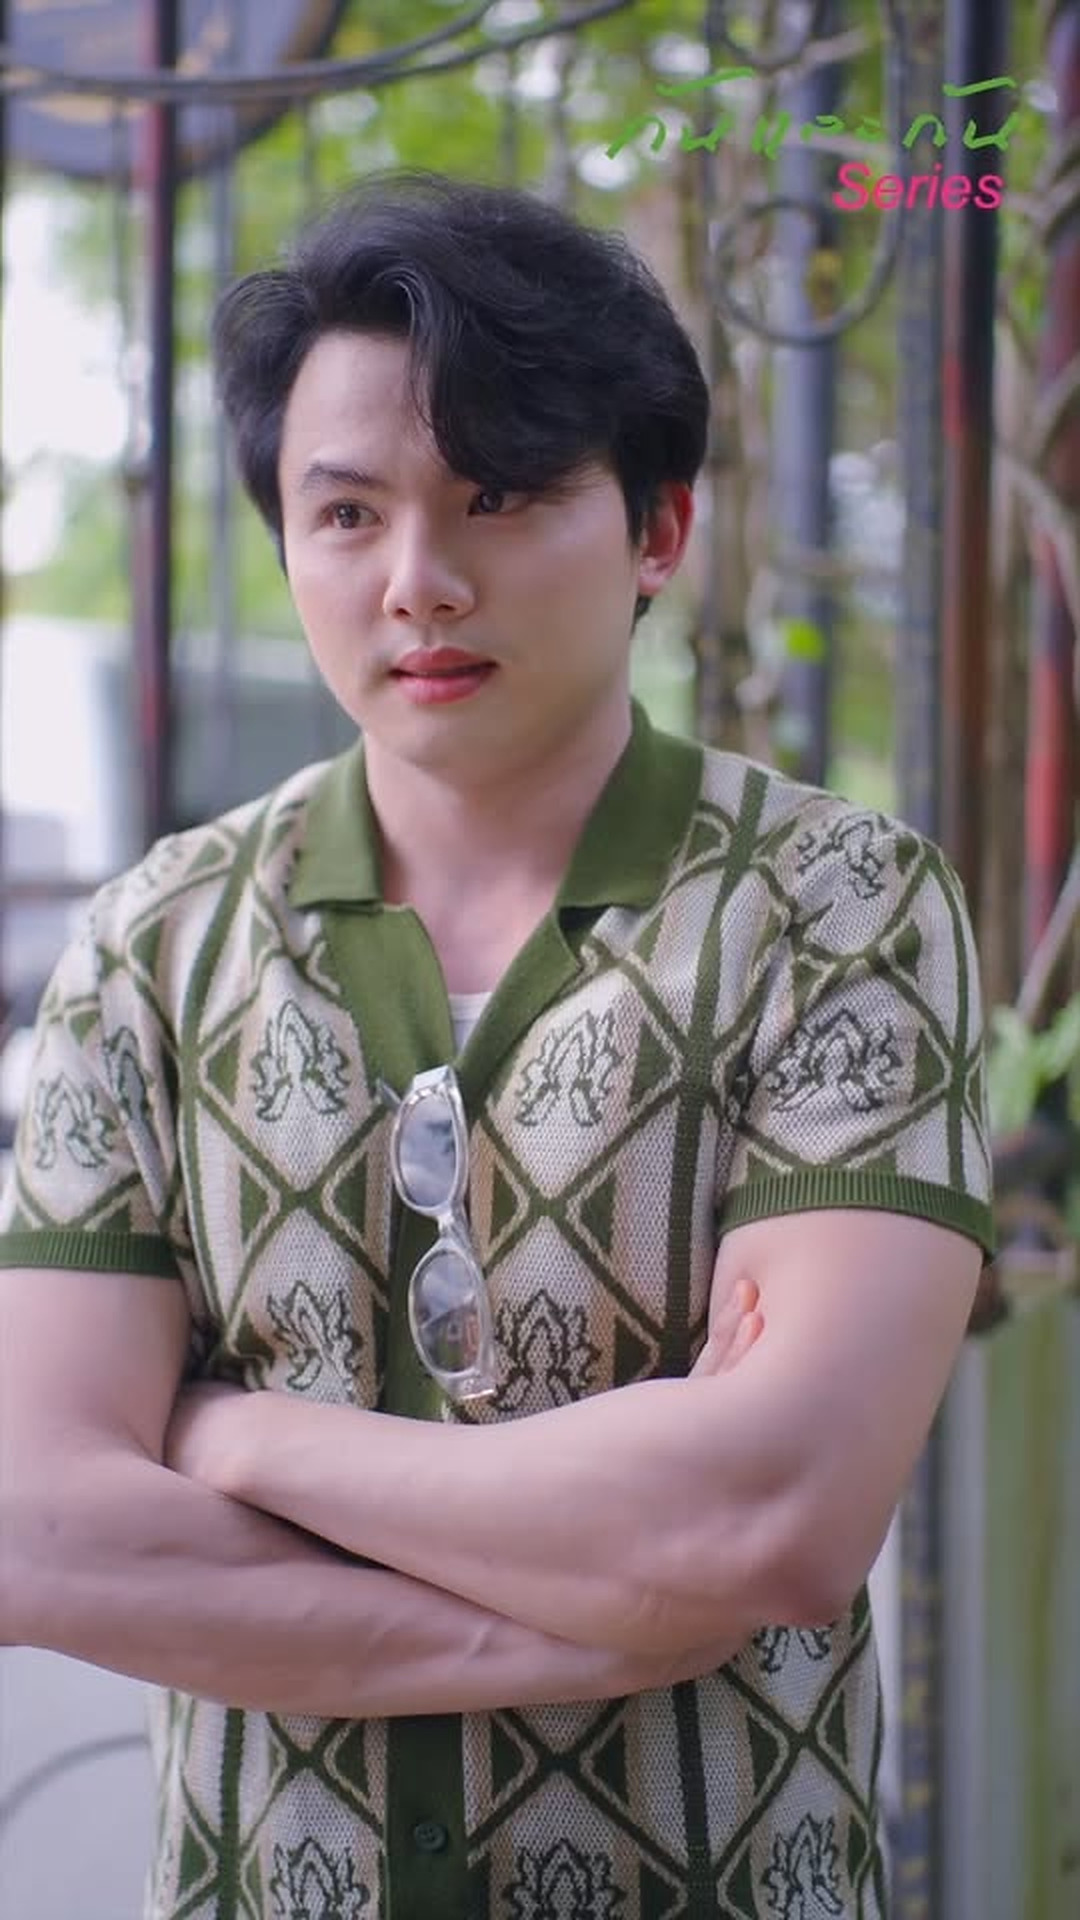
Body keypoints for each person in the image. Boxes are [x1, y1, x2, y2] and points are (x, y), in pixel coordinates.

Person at [0, 170, 993, 1920]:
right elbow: (36, 1526)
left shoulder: (838, 908)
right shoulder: (155, 945)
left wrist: (233, 1440)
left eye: (502, 494)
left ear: (659, 531)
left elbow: (773, 1521)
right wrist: (604, 1595)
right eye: (347, 513)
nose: (421, 583)